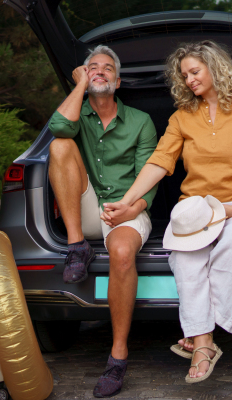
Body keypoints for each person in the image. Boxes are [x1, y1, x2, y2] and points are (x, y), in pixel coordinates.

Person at [102, 40, 232, 383]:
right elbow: (159, 162)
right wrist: (127, 199)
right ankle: (204, 342)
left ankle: (200, 338)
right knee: (184, 259)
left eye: (195, 71)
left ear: (216, 68)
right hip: (195, 209)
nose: (189, 80)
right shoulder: (182, 117)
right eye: (184, 75)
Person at [47, 45, 158, 397]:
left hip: (129, 206)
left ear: (118, 81)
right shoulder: (77, 114)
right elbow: (58, 126)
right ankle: (76, 246)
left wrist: (131, 207)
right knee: (60, 146)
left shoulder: (141, 121)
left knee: (122, 253)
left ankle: (117, 355)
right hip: (87, 208)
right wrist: (79, 85)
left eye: (107, 68)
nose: (99, 71)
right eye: (92, 67)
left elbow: (150, 177)